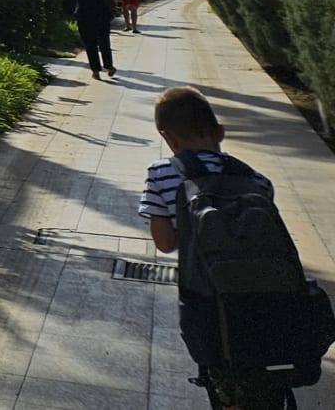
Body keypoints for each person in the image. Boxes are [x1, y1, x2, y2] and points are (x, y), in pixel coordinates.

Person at [139, 85, 334, 409]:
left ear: (168, 137)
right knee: (267, 385)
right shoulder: (257, 180)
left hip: (210, 311)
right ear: (220, 132)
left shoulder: (161, 174)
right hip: (271, 306)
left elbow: (165, 243)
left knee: (227, 388)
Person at [67, 0, 116, 78]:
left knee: (90, 44)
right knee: (104, 42)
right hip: (101, 13)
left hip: (84, 14)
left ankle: (95, 70)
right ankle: (109, 66)